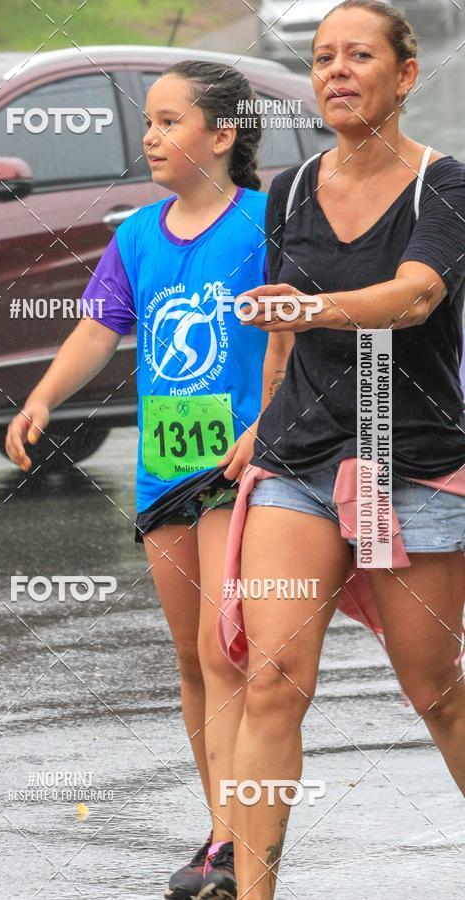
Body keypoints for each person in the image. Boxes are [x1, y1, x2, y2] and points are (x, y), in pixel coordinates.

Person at [5, 60, 292, 900]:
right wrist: (43, 398)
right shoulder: (135, 234)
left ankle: (242, 842)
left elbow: (298, 337)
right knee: (193, 664)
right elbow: (99, 329)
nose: (152, 137)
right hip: (163, 470)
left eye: (170, 121)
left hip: (234, 468)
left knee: (223, 649)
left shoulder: (267, 225)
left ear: (224, 133)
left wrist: (263, 427)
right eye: (150, 123)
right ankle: (219, 837)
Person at [215, 2, 465, 898]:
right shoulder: (286, 191)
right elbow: (283, 335)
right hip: (300, 459)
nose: (337, 72)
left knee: (435, 690)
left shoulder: (446, 185)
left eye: (360, 56)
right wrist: (262, 419)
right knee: (274, 676)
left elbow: (415, 299)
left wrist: (313, 309)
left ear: (405, 76)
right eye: (323, 58)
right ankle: (252, 892)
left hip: (411, 463)